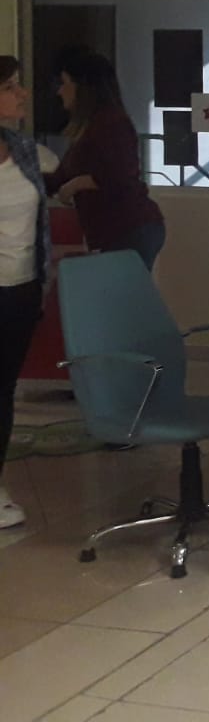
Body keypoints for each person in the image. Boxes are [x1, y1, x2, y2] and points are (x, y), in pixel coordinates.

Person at [44, 51, 165, 269]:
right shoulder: (89, 127)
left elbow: (120, 177)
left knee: (119, 290)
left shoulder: (111, 123)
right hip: (118, 231)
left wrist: (76, 184)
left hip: (129, 228)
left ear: (83, 87)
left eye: (64, 83)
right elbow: (60, 178)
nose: (59, 91)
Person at [0, 59, 55, 530]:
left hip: (21, 288)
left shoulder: (22, 149)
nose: (21, 94)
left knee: (4, 391)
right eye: (10, 87)